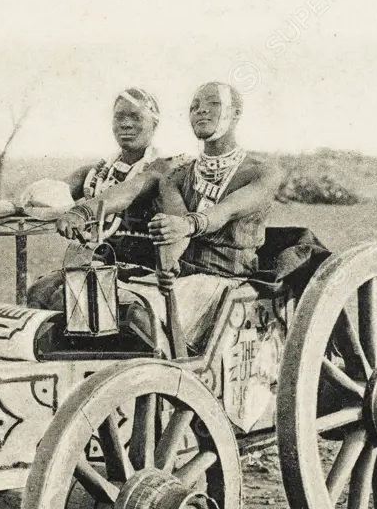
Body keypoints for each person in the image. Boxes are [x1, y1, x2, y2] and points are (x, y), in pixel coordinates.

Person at [52, 81, 284, 348]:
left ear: (236, 114)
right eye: (194, 106)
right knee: (79, 301)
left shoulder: (262, 171)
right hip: (180, 280)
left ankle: (176, 373)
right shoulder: (178, 173)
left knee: (133, 314)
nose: (201, 111)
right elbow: (142, 201)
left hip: (226, 284)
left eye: (213, 104)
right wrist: (83, 211)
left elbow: (226, 210)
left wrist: (187, 225)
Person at [25, 88, 173, 309]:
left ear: (154, 123)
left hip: (145, 275)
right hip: (98, 266)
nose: (126, 124)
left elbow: (129, 190)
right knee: (38, 292)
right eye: (119, 117)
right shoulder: (95, 172)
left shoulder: (163, 168)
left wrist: (81, 212)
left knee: (64, 302)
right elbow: (54, 193)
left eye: (135, 117)